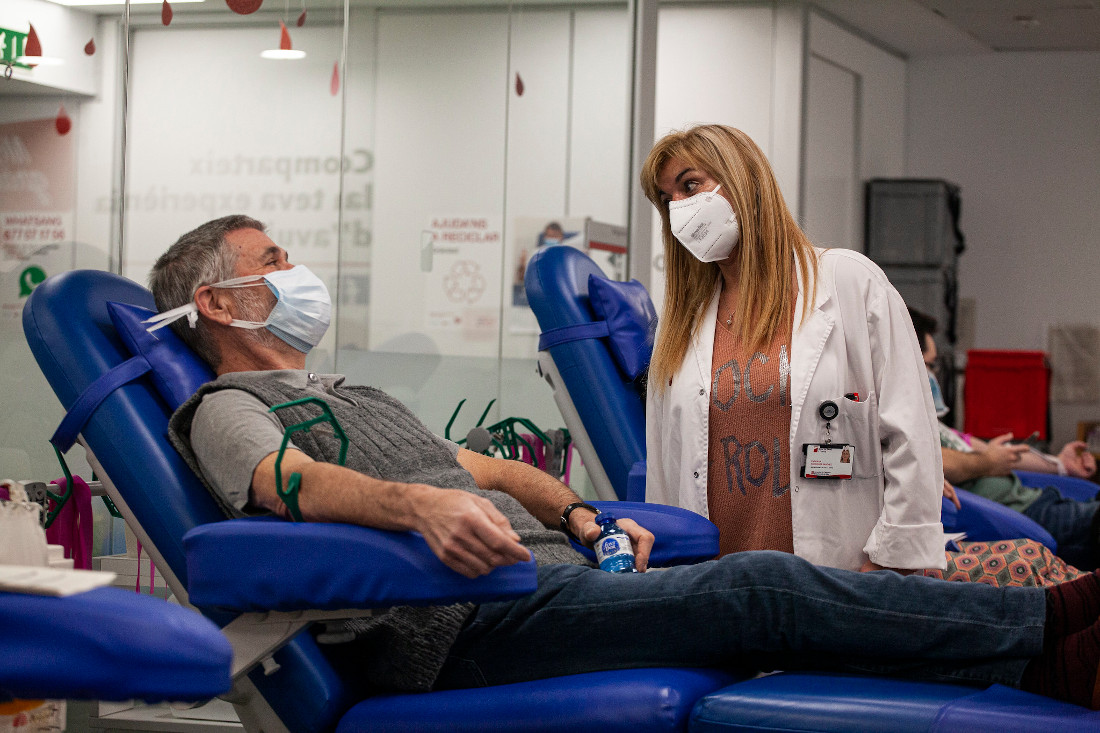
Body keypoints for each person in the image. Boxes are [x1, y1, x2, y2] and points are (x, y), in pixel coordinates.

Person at [146, 214, 1100, 710]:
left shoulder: (351, 395)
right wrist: (418, 509)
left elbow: (489, 469)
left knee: (770, 615)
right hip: (459, 626)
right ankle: (1051, 620)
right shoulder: (222, 407)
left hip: (541, 583)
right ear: (222, 304)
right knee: (758, 590)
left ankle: (1046, 668)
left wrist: (580, 517)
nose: (295, 268)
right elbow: (285, 482)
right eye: (272, 258)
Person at [641, 124, 944, 574]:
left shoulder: (847, 283)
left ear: (744, 179)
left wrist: (894, 562)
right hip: (714, 585)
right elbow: (664, 476)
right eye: (668, 200)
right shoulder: (681, 325)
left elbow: (911, 432)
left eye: (691, 185)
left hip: (839, 576)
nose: (681, 210)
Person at [909, 308, 1100, 569]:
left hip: (1038, 499)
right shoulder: (905, 427)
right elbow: (936, 461)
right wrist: (987, 462)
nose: (934, 374)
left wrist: (1060, 465)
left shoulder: (937, 426)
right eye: (929, 365)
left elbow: (996, 453)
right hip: (1018, 517)